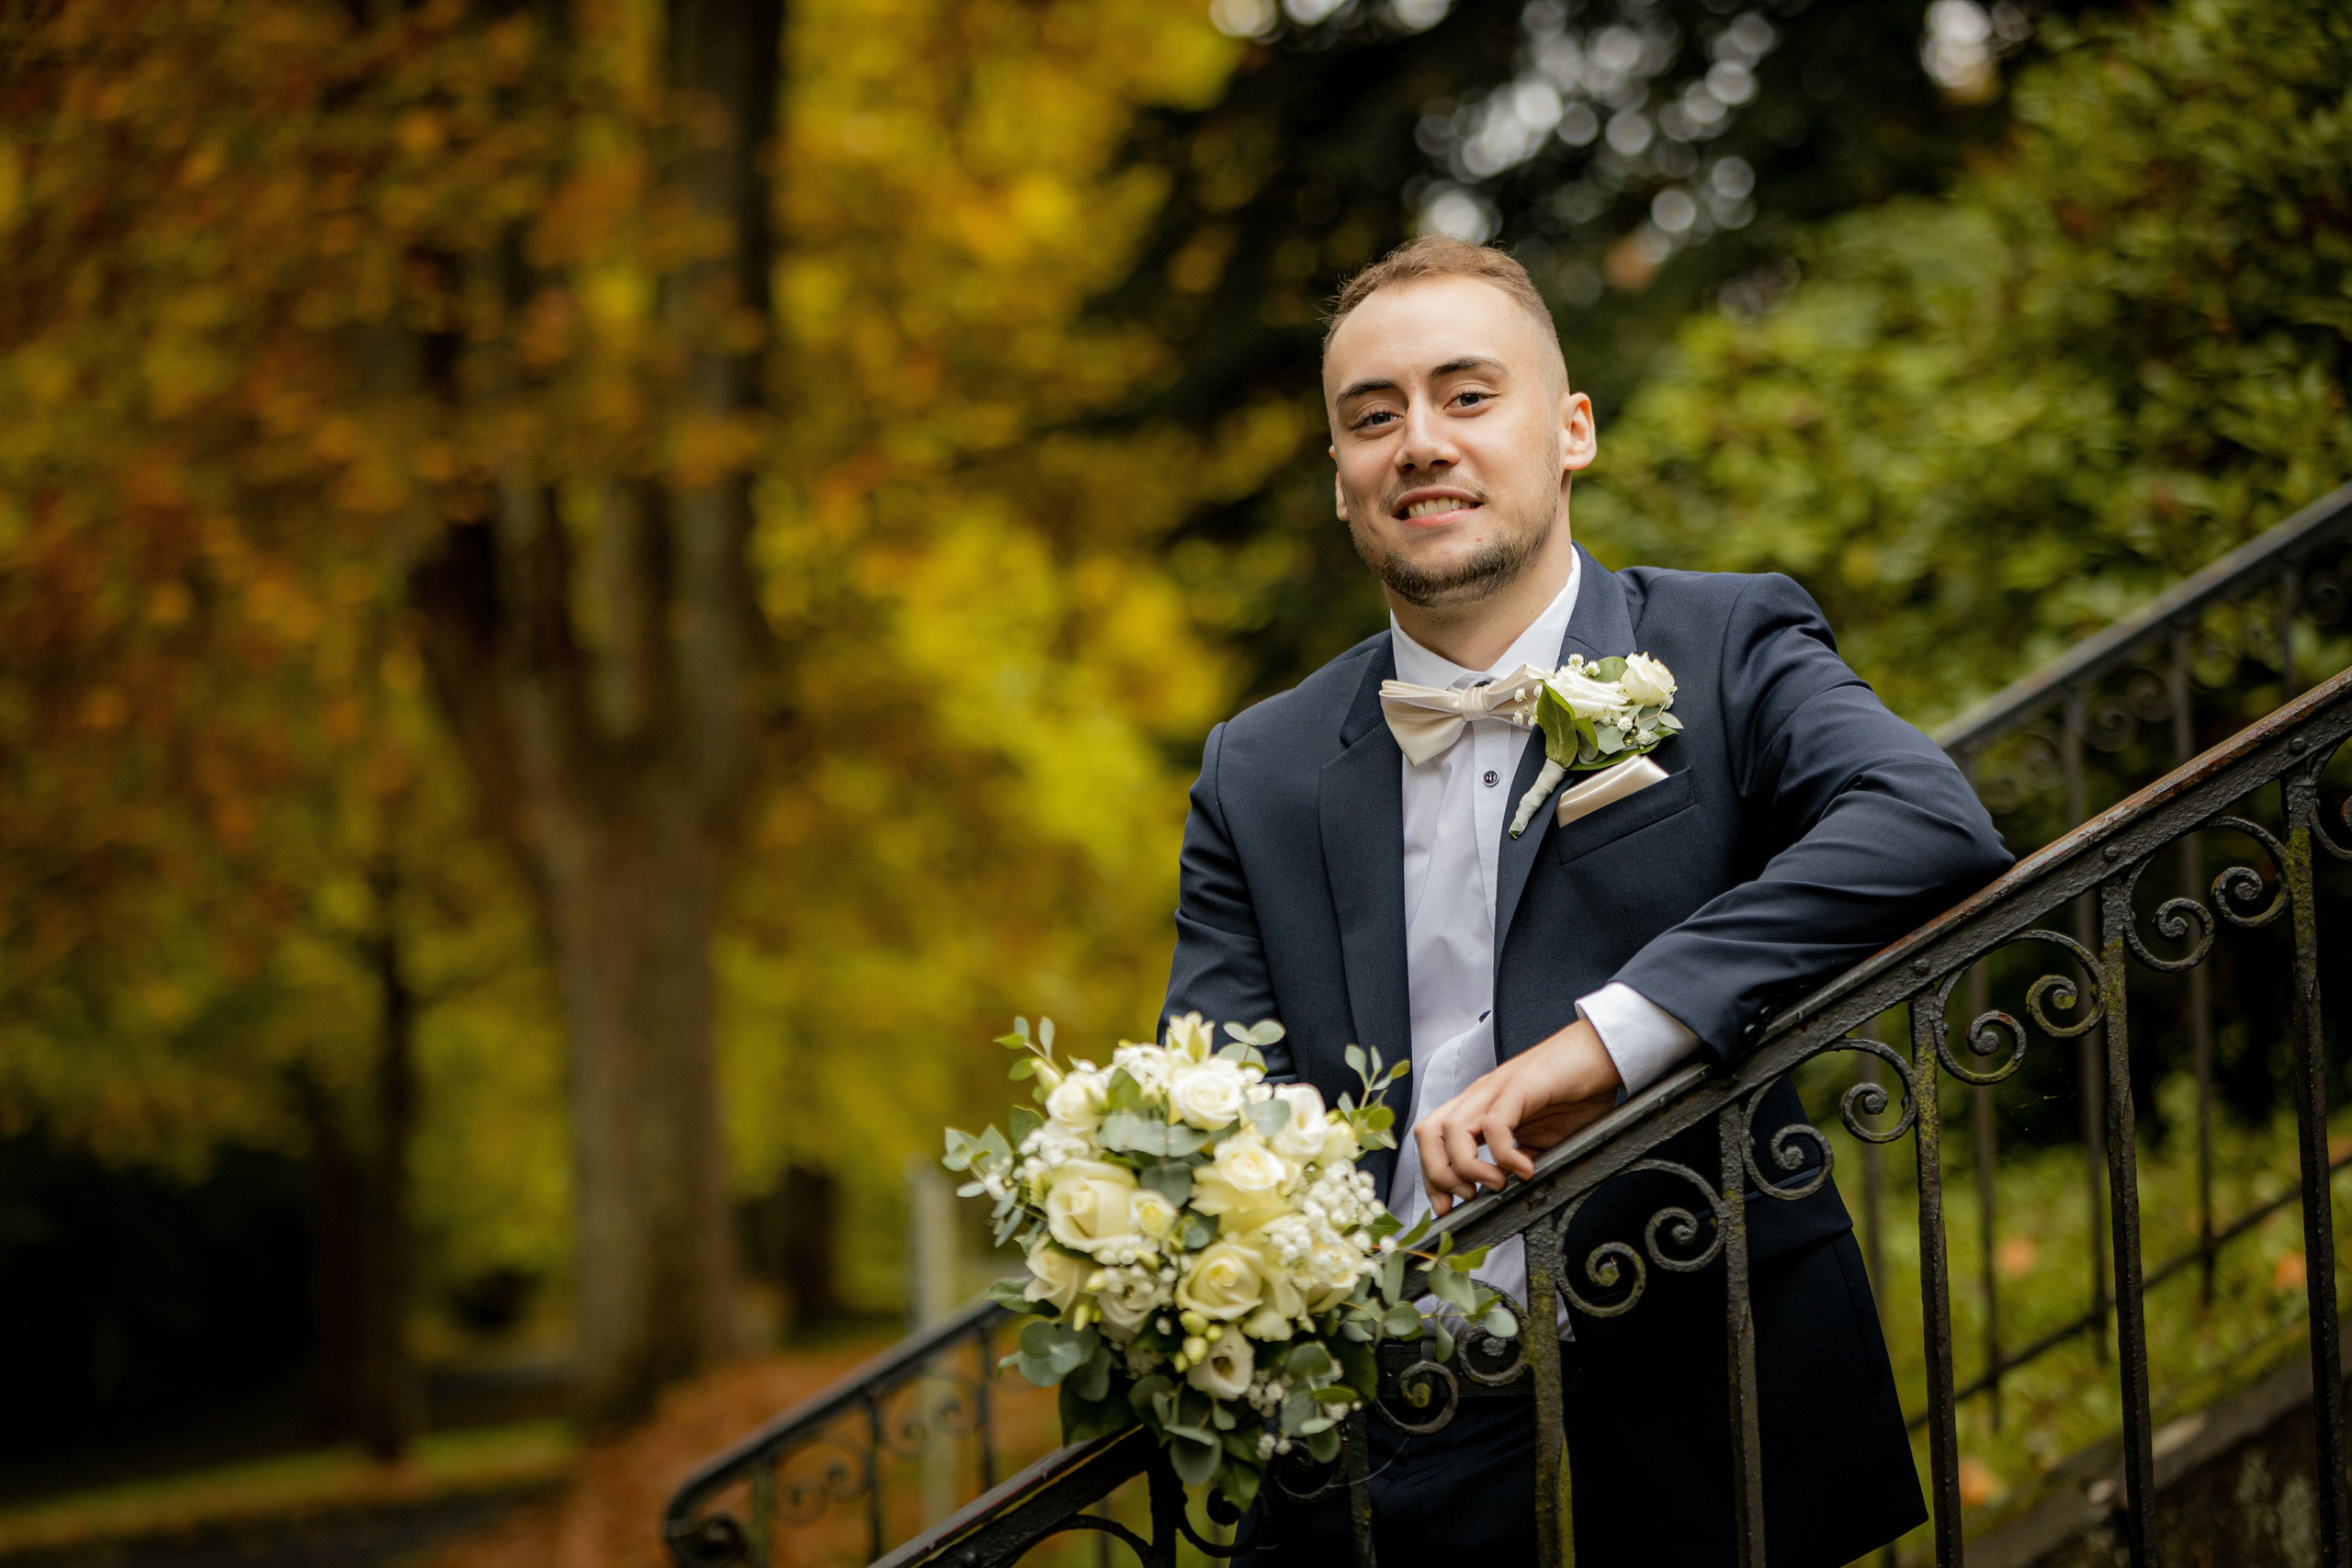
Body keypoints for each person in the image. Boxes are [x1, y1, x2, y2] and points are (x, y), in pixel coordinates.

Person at [1159, 236, 2012, 1566]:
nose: (1418, 441)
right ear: (1341, 480)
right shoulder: (1253, 769)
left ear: (1571, 432)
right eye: (1371, 417)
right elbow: (1213, 1095)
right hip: (1386, 1462)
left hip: (1705, 1398)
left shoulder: (1724, 646)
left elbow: (1927, 823)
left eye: (1466, 395)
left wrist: (1606, 1044)